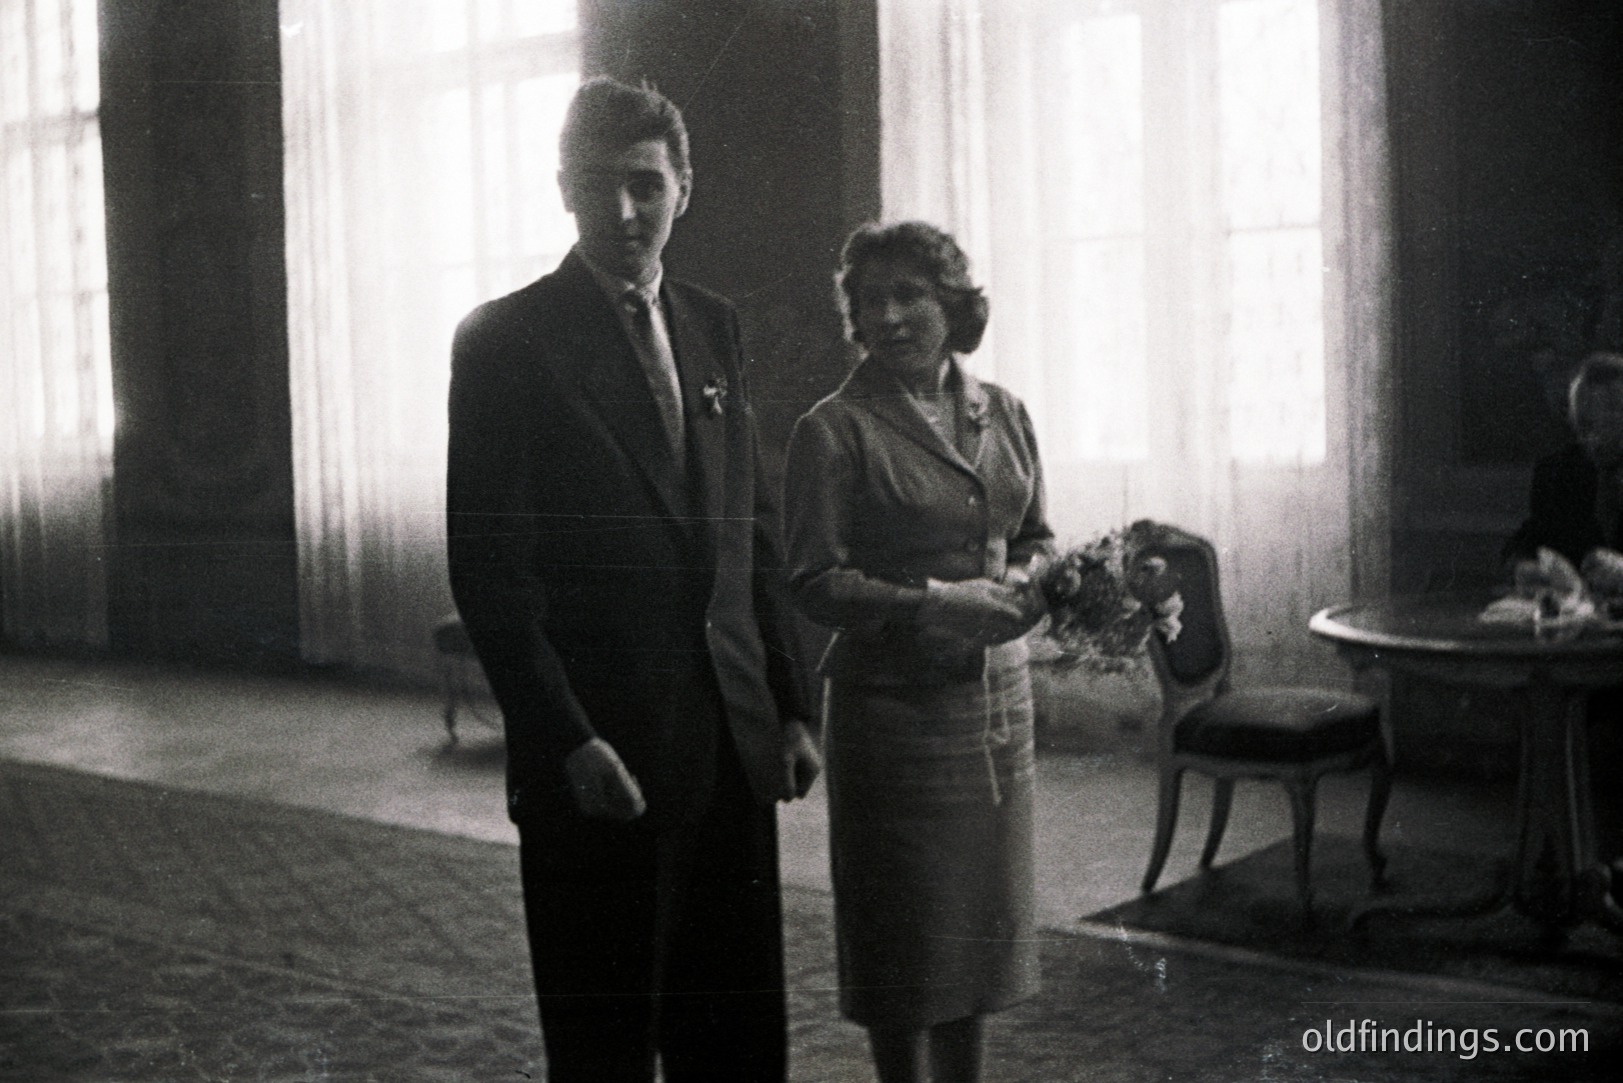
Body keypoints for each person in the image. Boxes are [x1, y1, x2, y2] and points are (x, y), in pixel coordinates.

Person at [446, 76, 820, 1083]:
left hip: (728, 746)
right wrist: (563, 739)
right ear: (562, 191)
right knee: (606, 1052)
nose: (623, 213)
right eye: (596, 187)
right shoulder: (504, 342)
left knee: (735, 1043)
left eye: (645, 185)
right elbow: (491, 575)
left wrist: (787, 705)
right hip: (599, 761)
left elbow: (750, 529)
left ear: (683, 188)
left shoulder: (713, 327)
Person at [782, 221, 1052, 1083]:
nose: (890, 316)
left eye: (911, 296)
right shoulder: (832, 429)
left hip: (996, 706)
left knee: (974, 920)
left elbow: (1036, 533)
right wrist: (938, 605)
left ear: (954, 304)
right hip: (890, 712)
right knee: (903, 927)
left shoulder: (1003, 410)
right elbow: (814, 581)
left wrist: (1044, 580)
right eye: (871, 300)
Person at [1504, 348, 1623, 897]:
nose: (1593, 436)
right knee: (1544, 709)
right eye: (1585, 424)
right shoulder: (1558, 471)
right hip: (1573, 649)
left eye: (1607, 421)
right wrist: (1524, 564)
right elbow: (1527, 537)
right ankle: (1553, 863)